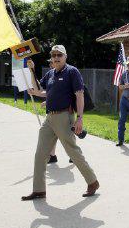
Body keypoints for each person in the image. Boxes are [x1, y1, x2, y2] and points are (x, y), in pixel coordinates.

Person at [22, 45, 99, 201]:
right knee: (40, 154)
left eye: (59, 55)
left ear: (65, 57)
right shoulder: (51, 73)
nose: (56, 57)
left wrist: (80, 118)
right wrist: (31, 70)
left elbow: (79, 95)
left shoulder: (72, 72)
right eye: (54, 55)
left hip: (64, 117)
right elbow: (41, 90)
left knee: (73, 152)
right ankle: (39, 190)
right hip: (49, 118)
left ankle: (92, 182)